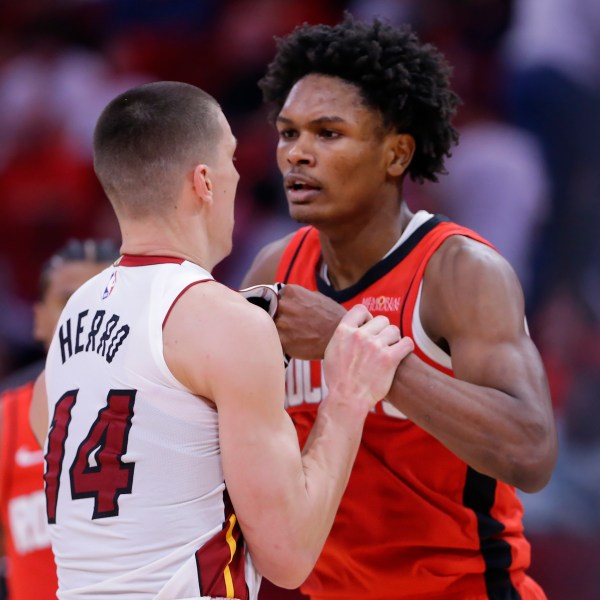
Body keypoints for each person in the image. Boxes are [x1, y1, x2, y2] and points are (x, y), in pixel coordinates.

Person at [28, 81, 413, 600]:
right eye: (231, 157)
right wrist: (347, 395)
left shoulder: (76, 311)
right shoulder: (223, 321)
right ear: (204, 181)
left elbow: (49, 423)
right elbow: (288, 557)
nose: (240, 174)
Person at [242, 15, 558, 600]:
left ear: (396, 154)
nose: (297, 155)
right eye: (289, 133)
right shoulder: (272, 271)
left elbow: (530, 451)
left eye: (328, 133)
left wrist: (358, 350)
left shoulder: (459, 270)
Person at [0, 238, 120, 600]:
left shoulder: (171, 406)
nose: (85, 314)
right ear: (39, 320)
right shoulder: (6, 418)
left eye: (102, 296)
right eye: (69, 300)